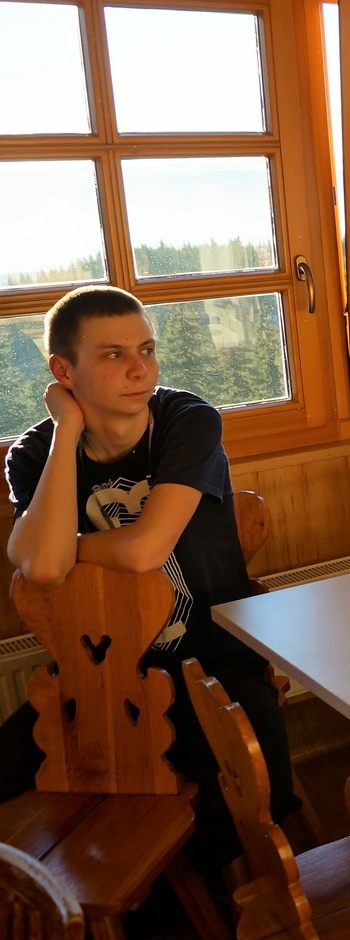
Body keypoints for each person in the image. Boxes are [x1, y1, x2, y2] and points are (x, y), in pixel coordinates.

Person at [0, 284, 299, 873]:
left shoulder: (187, 421)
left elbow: (140, 550)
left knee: (255, 799)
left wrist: (62, 548)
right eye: (114, 354)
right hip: (95, 672)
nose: (140, 369)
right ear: (64, 371)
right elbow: (42, 567)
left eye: (147, 349)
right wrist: (66, 431)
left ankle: (189, 900)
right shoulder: (36, 451)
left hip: (210, 657)